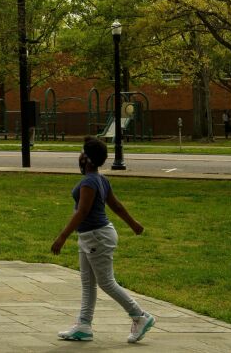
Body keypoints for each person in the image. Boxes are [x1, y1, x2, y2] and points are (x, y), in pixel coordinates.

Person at [51, 137, 155, 344]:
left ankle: (140, 316)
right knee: (88, 283)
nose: (79, 156)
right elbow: (116, 206)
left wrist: (62, 237)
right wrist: (133, 224)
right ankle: (83, 326)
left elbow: (82, 212)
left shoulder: (89, 182)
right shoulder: (101, 179)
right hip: (92, 236)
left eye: (81, 153)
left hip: (96, 237)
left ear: (87, 159)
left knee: (106, 282)